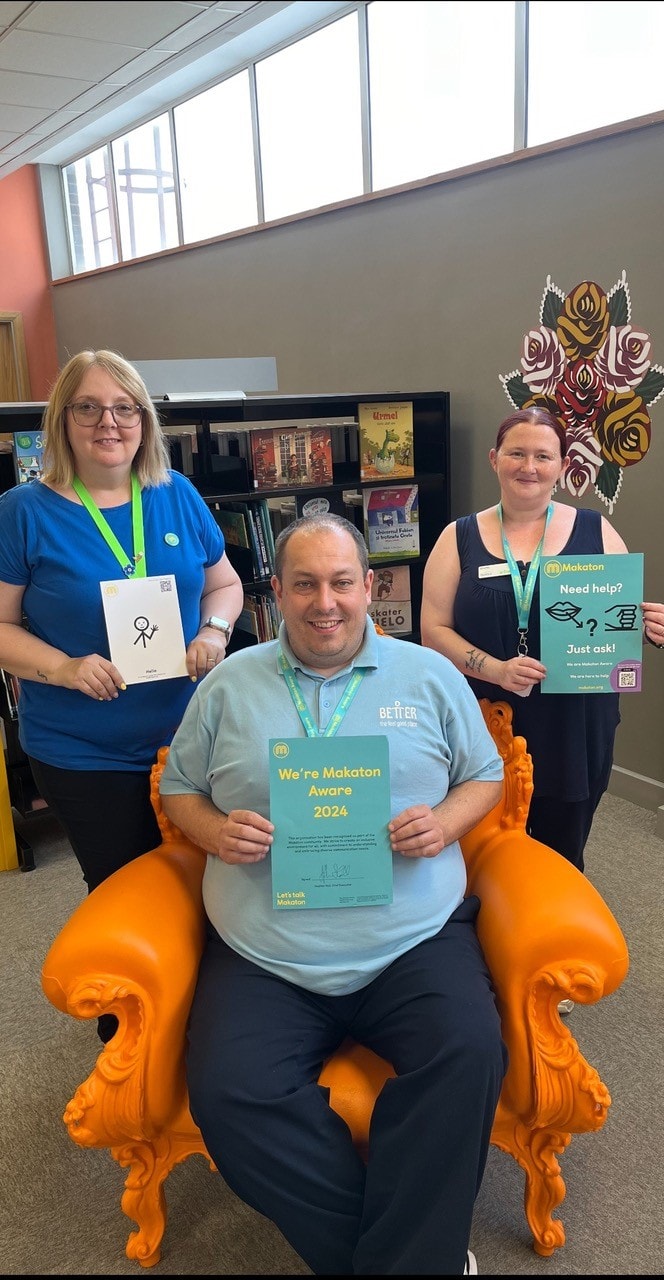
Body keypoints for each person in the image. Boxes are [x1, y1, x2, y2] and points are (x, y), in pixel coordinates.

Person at [159, 512, 507, 1276]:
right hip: (266, 953)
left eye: (343, 582)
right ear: (274, 593)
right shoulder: (227, 686)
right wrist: (214, 831)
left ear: (370, 587)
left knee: (469, 1053)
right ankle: (407, 1258)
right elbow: (181, 788)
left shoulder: (430, 675)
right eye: (306, 584)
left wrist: (445, 823)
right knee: (230, 1095)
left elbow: (487, 775)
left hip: (413, 941)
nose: (326, 602)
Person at [0, 349, 244, 898]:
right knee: (130, 896)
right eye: (88, 407)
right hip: (84, 753)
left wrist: (214, 631)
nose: (109, 422)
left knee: (217, 886)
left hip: (191, 738)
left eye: (125, 407)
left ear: (144, 421)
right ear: (62, 419)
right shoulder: (22, 512)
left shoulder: (176, 493)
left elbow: (224, 585)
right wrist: (62, 667)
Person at [420, 406, 664, 874]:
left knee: (563, 842)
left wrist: (647, 625)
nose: (528, 467)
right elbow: (433, 631)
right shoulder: (460, 537)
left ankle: (555, 918)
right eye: (516, 453)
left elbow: (617, 615)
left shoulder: (596, 530)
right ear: (495, 459)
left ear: (561, 464)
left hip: (577, 721)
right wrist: (496, 669)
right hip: (491, 715)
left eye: (542, 456)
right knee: (485, 838)